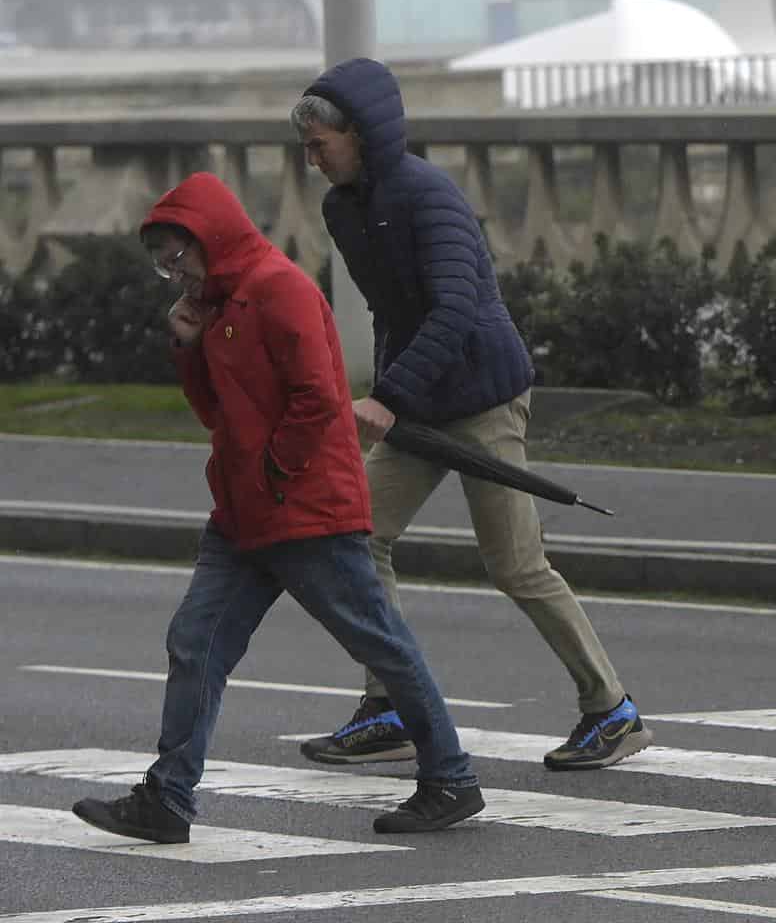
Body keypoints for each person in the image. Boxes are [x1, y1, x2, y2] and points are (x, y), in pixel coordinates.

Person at [71, 173, 484, 844]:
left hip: (304, 510)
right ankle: (167, 798)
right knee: (195, 643)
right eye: (163, 263)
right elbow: (215, 413)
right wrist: (187, 346)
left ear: (215, 237)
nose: (175, 273)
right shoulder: (220, 304)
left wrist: (273, 469)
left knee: (378, 639)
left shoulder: (277, 287)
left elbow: (318, 399)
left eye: (181, 257)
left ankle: (451, 778)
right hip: (244, 512)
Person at [290, 57, 646, 770]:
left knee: (515, 565)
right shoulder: (343, 208)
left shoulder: (430, 196)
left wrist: (387, 396)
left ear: (360, 135)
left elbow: (457, 307)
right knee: (358, 536)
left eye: (319, 145)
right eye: (305, 148)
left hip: (484, 400)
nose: (311, 160)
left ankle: (612, 710)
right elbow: (391, 307)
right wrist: (393, 389)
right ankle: (390, 701)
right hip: (419, 404)